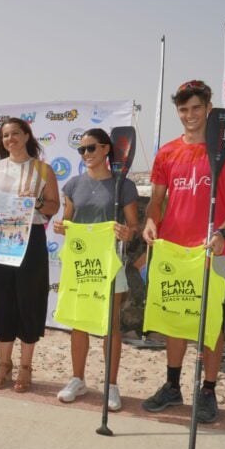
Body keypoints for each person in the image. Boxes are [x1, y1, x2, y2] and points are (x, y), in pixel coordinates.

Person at [141, 80, 225, 423]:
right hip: (174, 252)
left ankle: (207, 391)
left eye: (196, 108)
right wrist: (150, 223)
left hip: (211, 251)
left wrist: (222, 231)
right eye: (183, 109)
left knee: (210, 323)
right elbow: (155, 203)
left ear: (209, 108)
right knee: (174, 319)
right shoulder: (167, 153)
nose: (189, 115)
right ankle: (173, 386)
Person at [0, 117, 60, 392]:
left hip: (30, 240)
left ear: (26, 135)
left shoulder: (43, 170)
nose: (10, 139)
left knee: (29, 302)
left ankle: (25, 366)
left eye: (15, 133)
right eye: (5, 135)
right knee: (2, 302)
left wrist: (36, 201)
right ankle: (4, 363)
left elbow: (53, 206)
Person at [53, 128, 139, 410]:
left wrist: (127, 232)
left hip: (110, 264)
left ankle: (111, 385)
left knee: (110, 325)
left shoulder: (122, 185)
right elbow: (67, 222)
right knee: (78, 323)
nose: (86, 154)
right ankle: (77, 379)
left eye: (91, 148)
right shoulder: (73, 185)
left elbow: (134, 225)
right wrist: (60, 226)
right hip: (80, 264)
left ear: (105, 150)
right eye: (82, 150)